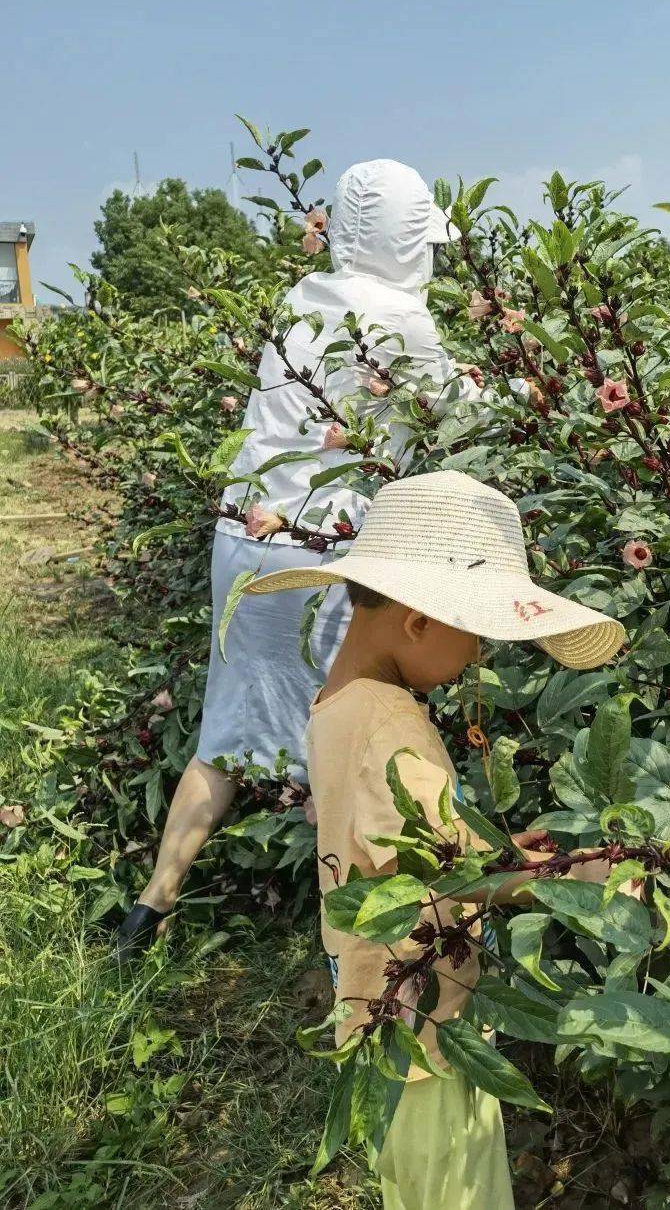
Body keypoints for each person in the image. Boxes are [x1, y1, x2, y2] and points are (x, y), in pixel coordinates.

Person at [117, 161, 526, 957]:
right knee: (353, 746)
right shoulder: (405, 319)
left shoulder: (302, 297)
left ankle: (147, 911)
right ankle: (365, 953)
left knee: (225, 734)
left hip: (245, 537)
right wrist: (517, 390)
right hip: (327, 557)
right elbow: (463, 416)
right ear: (410, 241)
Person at [244, 469, 626, 1209]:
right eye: (474, 633)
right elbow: (443, 881)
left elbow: (393, 848)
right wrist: (565, 876)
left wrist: (498, 845)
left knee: (409, 1180)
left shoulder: (340, 701)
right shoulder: (393, 727)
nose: (479, 655)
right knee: (458, 1183)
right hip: (429, 1027)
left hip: (371, 1005)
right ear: (419, 620)